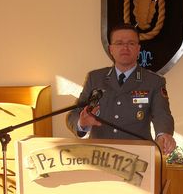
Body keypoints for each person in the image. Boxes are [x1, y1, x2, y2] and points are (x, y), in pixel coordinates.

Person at [66, 23, 176, 155]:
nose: (125, 47)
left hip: (138, 157)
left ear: (138, 48)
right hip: (99, 157)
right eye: (119, 43)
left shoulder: (153, 82)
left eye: (131, 43)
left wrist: (164, 135)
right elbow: (74, 113)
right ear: (111, 49)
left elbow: (161, 114)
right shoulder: (95, 78)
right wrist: (81, 122)